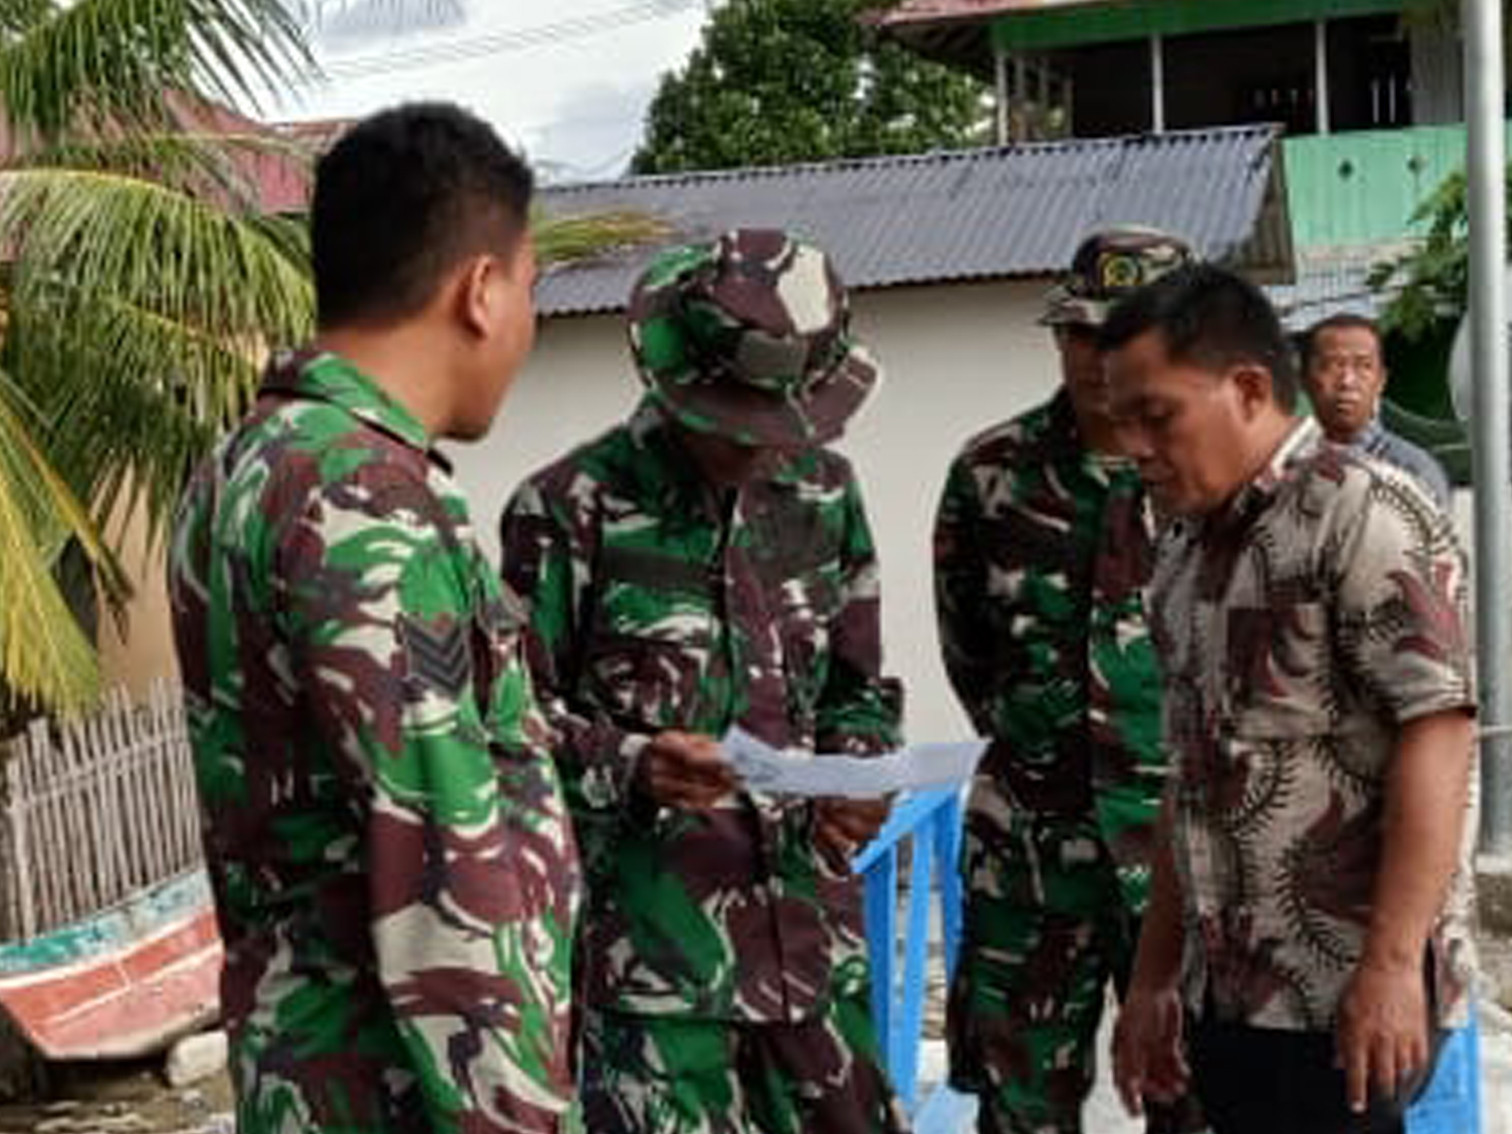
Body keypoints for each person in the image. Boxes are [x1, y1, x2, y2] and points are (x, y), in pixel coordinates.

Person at [168, 104, 579, 1134]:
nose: (528, 322)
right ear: (481, 291)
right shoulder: (363, 503)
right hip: (398, 1095)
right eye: (531, 287)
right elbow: (444, 861)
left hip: (305, 1074)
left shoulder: (247, 465)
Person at [498, 228, 907, 1134]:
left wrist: (858, 772)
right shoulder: (567, 511)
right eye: (734, 419)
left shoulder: (825, 496)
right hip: (652, 984)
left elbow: (858, 689)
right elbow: (508, 736)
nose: (758, 446)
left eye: (780, 421)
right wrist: (632, 761)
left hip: (813, 958)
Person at [1103, 265, 1477, 1134]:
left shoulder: (1362, 514)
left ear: (1247, 388)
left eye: (1155, 416)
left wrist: (1389, 968)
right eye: (1122, 422)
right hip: (1225, 997)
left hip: (1340, 998)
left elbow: (1440, 734)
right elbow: (1187, 781)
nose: (1135, 447)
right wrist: (1157, 977)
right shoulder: (1185, 556)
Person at [933, 226, 1203, 1134]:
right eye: (1083, 333)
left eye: (1129, 335)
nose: (1101, 358)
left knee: (1197, 1099)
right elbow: (969, 651)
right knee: (1019, 1110)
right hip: (1030, 861)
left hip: (1182, 861)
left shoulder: (1214, 480)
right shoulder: (990, 475)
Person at [1300, 313, 1452, 507]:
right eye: (1332, 366)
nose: (1347, 381)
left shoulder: (1413, 469)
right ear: (1304, 379)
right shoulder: (1284, 469)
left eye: (1363, 366)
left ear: (1381, 381)